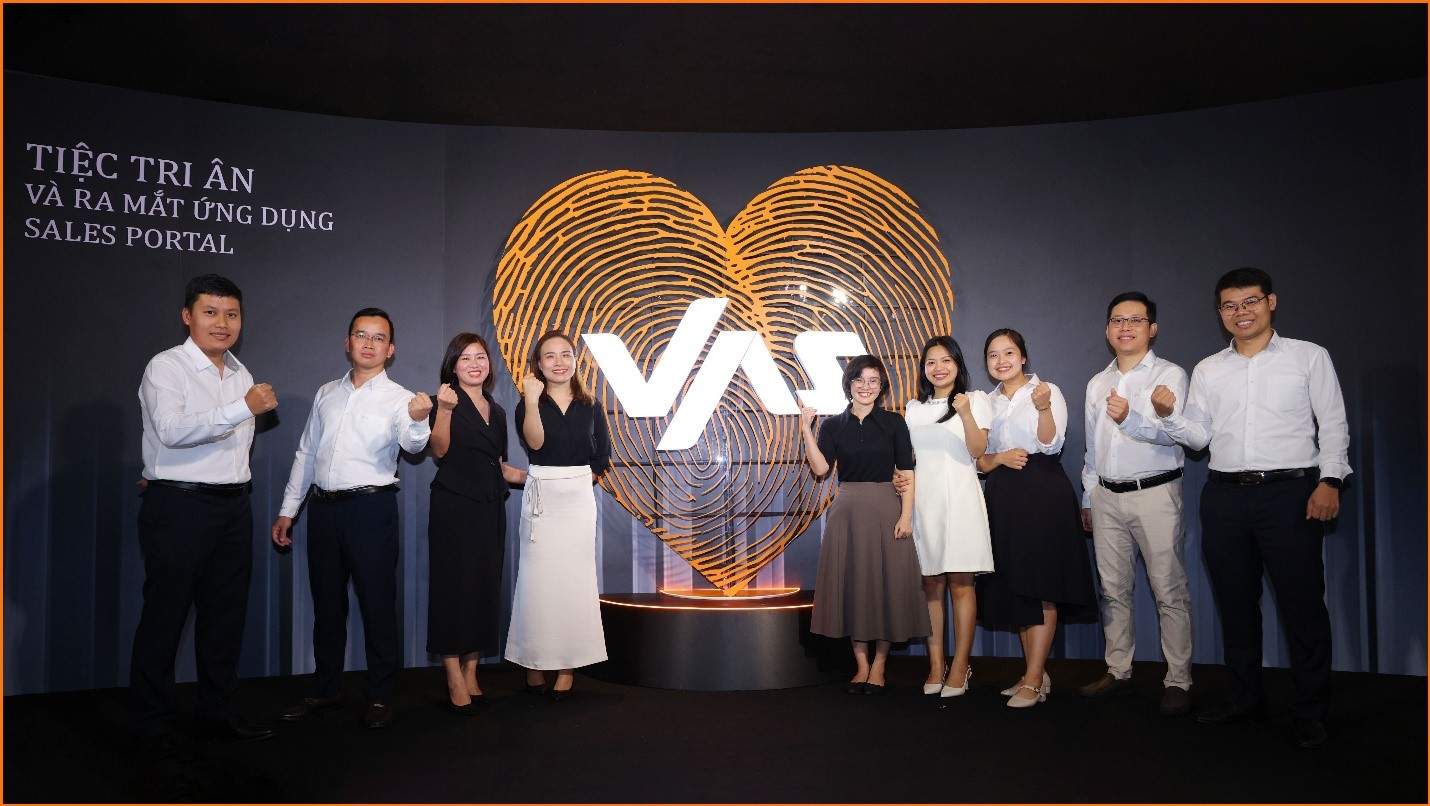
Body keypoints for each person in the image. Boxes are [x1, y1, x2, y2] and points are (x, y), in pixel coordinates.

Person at [1157, 267, 1349, 749]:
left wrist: (1330, 481)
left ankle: (1311, 710)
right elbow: (1198, 437)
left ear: (1271, 302)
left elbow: (1333, 424)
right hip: (1224, 496)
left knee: (1302, 605)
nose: (1240, 312)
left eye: (1250, 301)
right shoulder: (1209, 369)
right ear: (1220, 312)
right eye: (1230, 305)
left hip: (1291, 494)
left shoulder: (1308, 357)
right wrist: (1169, 416)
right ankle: (1246, 700)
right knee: (1236, 604)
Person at [131, 274, 278, 751]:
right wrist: (241, 408)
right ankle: (150, 723)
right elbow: (171, 430)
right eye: (211, 312)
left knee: (225, 618)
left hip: (233, 507)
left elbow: (236, 448)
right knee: (165, 616)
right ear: (187, 316)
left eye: (232, 314)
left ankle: (217, 713)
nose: (222, 323)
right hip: (179, 506)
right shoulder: (166, 366)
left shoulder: (240, 373)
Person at [271, 308, 432, 729]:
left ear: (390, 349)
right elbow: (307, 452)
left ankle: (381, 695)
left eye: (378, 338)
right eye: (361, 335)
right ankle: (326, 689)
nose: (369, 343)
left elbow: (414, 446)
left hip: (370, 510)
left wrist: (418, 420)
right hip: (323, 510)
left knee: (377, 605)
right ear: (348, 342)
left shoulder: (400, 398)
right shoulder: (326, 393)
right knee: (327, 605)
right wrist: (289, 509)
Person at [1077, 292, 1194, 716]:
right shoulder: (1097, 382)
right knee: (1112, 590)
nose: (1125, 327)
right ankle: (1118, 670)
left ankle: (1178, 679)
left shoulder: (1170, 375)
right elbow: (1092, 448)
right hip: (1106, 495)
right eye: (1117, 320)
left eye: (1135, 320)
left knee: (1169, 590)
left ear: (1152, 328)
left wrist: (1131, 418)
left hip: (1155, 493)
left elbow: (1177, 434)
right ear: (1107, 329)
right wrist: (1089, 495)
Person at [975, 328, 1097, 709]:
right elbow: (979, 458)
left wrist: (1043, 408)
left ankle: (1033, 677)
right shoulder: (986, 402)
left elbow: (1051, 444)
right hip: (1003, 496)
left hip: (1042, 493)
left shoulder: (1047, 391)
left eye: (1009, 353)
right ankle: (1036, 674)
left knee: (1042, 584)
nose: (1001, 361)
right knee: (1017, 586)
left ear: (1023, 356)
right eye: (993, 355)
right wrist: (999, 458)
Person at [799, 354, 929, 694]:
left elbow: (907, 471)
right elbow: (821, 469)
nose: (866, 386)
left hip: (887, 508)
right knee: (855, 587)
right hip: (847, 512)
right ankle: (861, 665)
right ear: (849, 384)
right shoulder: (833, 426)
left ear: (881, 386)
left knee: (886, 586)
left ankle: (880, 664)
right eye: (859, 379)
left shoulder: (894, 423)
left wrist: (906, 515)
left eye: (873, 380)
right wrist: (806, 430)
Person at [505, 330, 610, 700]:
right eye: (549, 356)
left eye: (565, 354)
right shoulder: (528, 402)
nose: (559, 362)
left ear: (575, 360)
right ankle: (533, 662)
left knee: (574, 583)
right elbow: (535, 443)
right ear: (539, 364)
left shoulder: (591, 404)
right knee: (537, 583)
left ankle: (567, 667)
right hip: (542, 499)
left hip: (578, 500)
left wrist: (577, 483)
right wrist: (533, 400)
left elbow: (602, 456)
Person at [427, 333, 526, 714]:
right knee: (453, 589)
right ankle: (452, 672)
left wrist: (538, 478)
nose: (474, 364)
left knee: (483, 586)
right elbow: (439, 451)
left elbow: (499, 466)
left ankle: (471, 670)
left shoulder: (497, 411)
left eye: (480, 357)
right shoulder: (443, 401)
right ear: (453, 366)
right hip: (454, 506)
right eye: (465, 358)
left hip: (489, 507)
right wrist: (445, 411)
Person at [895, 336, 993, 699]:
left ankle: (961, 664)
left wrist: (964, 411)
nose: (938, 368)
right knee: (931, 585)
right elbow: (907, 459)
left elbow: (979, 450)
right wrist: (898, 476)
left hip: (961, 499)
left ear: (958, 364)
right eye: (931, 362)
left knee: (962, 584)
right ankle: (936, 665)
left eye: (946, 360)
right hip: (924, 503)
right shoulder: (913, 408)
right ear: (923, 369)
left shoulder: (976, 400)